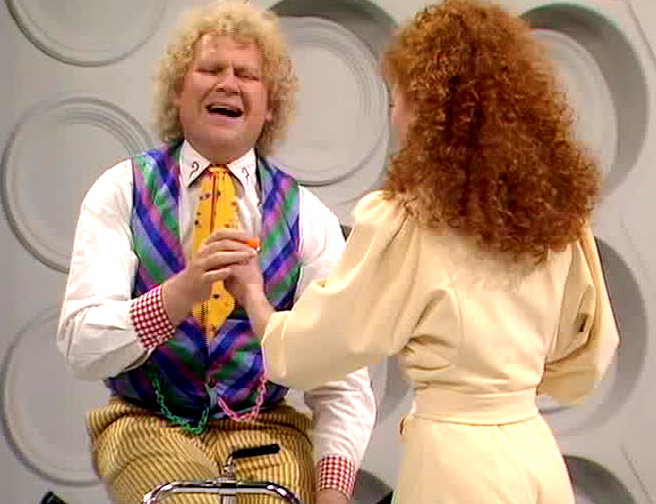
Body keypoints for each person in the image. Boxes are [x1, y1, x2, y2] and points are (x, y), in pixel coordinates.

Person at [216, 1, 620, 502]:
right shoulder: (558, 220)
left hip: (459, 473)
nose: (393, 114)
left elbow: (305, 351)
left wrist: (254, 295)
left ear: (428, 109)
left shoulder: (410, 224)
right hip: (538, 462)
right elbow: (588, 355)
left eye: (397, 97)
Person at [57, 2, 376, 504]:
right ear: (178, 92)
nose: (228, 83)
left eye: (246, 74)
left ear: (269, 106)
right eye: (210, 69)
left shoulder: (306, 217)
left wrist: (333, 491)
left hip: (265, 425)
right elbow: (82, 343)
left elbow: (341, 377)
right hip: (145, 422)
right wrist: (181, 293)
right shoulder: (122, 191)